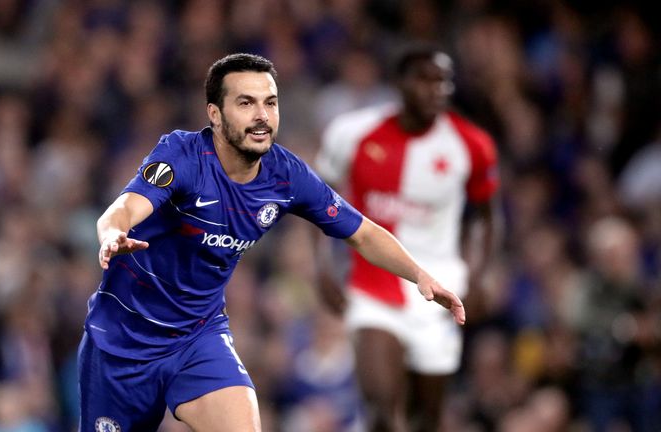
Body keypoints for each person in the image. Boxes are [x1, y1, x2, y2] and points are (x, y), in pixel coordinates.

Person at [79, 52, 465, 432]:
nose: (262, 115)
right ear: (215, 114)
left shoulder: (286, 176)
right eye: (246, 103)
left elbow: (362, 232)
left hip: (197, 339)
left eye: (270, 102)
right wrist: (113, 233)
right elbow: (125, 207)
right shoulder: (182, 155)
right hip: (122, 342)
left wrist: (418, 275)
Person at [315, 43, 500, 431]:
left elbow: (485, 216)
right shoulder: (351, 134)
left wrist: (479, 275)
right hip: (372, 287)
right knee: (382, 415)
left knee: (426, 420)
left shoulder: (472, 146)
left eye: (444, 81)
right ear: (399, 84)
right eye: (424, 80)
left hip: (441, 291)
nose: (436, 90)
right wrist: (324, 268)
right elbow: (319, 202)